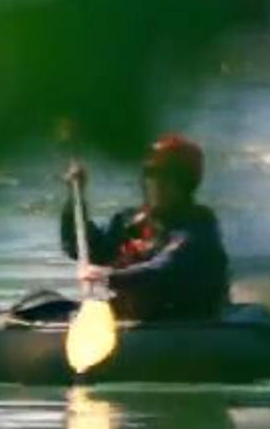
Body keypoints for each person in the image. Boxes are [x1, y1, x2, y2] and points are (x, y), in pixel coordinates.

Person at [57, 133, 233, 324]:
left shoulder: (199, 227)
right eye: (151, 174)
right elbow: (82, 247)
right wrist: (75, 198)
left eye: (169, 176)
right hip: (140, 319)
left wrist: (107, 276)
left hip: (188, 319)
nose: (157, 183)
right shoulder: (129, 222)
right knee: (42, 303)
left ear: (187, 183)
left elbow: (164, 270)